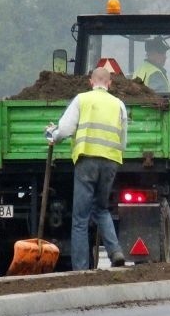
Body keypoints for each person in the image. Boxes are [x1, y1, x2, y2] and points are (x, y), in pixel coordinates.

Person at [45, 67, 128, 270]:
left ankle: (81, 268)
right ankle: (115, 251)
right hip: (110, 162)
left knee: (80, 217)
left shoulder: (82, 100)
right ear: (109, 84)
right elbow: (124, 142)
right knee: (101, 209)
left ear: (91, 82)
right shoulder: (119, 105)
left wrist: (52, 135)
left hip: (87, 161)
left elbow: (65, 129)